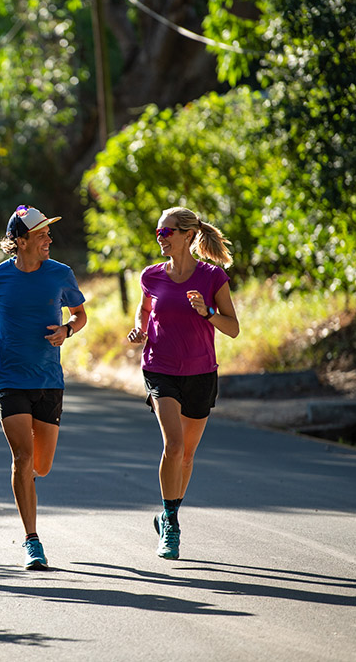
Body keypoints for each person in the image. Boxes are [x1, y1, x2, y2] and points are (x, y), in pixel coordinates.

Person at [0, 205, 87, 570]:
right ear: (20, 241)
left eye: (48, 234)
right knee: (22, 458)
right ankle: (32, 540)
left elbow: (80, 315)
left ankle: (27, 482)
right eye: (41, 235)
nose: (49, 240)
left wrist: (67, 330)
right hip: (8, 377)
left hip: (49, 378)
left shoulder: (60, 274)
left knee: (41, 465)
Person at [127, 206, 240, 560]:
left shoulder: (212, 278)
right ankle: (172, 526)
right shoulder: (151, 276)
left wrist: (207, 313)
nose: (160, 238)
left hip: (201, 372)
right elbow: (144, 310)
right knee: (174, 446)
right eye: (158, 232)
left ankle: (167, 514)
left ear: (188, 236)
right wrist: (141, 329)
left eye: (167, 232)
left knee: (187, 455)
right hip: (160, 368)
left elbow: (233, 328)